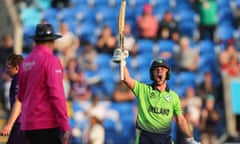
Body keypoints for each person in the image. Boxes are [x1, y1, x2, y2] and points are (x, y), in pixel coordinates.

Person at [112, 49, 200, 144]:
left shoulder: (173, 96)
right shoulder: (143, 90)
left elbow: (180, 119)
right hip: (145, 139)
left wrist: (190, 138)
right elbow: (126, 79)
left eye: (162, 69)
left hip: (165, 140)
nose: (159, 72)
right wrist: (122, 63)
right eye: (156, 70)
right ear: (152, 74)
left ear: (167, 73)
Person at [17, 23, 70, 144]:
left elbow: (20, 96)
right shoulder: (51, 61)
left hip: (28, 125)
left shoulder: (26, 62)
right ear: (53, 42)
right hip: (47, 124)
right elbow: (57, 95)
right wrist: (64, 124)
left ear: (35, 41)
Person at [0, 54, 29, 144]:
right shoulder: (27, 78)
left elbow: (19, 102)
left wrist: (9, 125)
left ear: (16, 67)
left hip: (21, 125)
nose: (6, 70)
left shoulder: (18, 79)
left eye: (9, 67)